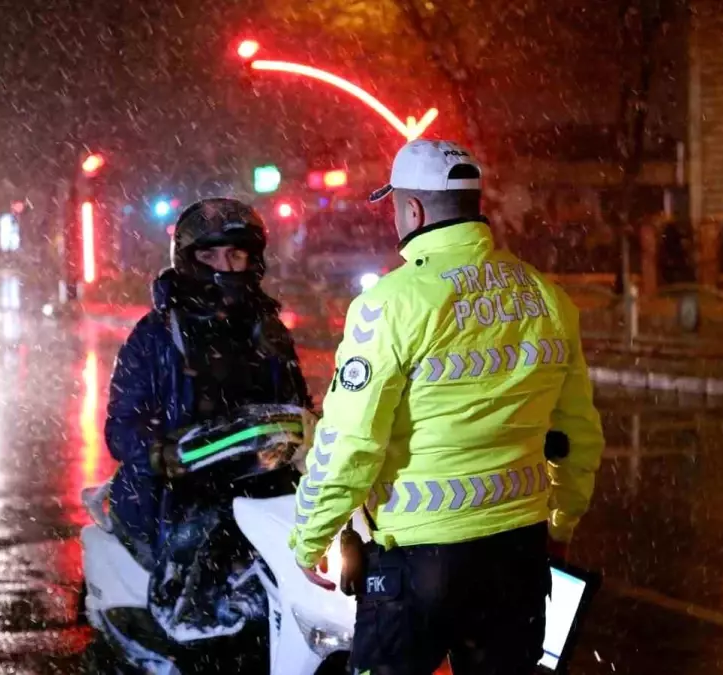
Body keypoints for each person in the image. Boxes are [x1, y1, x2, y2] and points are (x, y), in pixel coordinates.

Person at [289, 140, 605, 674]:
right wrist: (563, 519)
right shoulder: (545, 296)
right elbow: (577, 431)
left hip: (420, 563)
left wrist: (311, 536)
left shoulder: (389, 305)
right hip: (517, 555)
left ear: (411, 210)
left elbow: (349, 442)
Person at [104, 197, 312, 570]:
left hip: (263, 483)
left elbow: (297, 406)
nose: (224, 267)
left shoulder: (268, 331)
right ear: (188, 260)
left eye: (235, 255)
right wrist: (160, 453)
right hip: (183, 492)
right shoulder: (155, 336)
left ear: (253, 260)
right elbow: (121, 427)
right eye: (210, 257)